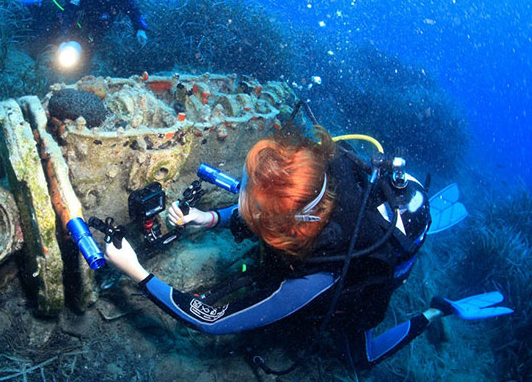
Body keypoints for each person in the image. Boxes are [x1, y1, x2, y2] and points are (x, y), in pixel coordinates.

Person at [104, 122, 512, 372]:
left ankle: (436, 309)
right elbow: (265, 207)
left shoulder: (318, 273)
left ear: (288, 228)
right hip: (358, 214)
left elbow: (213, 321)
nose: (242, 197)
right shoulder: (314, 176)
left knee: (360, 361)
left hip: (371, 269)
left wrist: (136, 269)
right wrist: (208, 218)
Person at [56, 0, 148, 67]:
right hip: (77, 25)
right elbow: (68, 14)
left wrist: (140, 29)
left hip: (100, 32)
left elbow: (134, 12)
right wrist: (64, 39)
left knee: (89, 57)